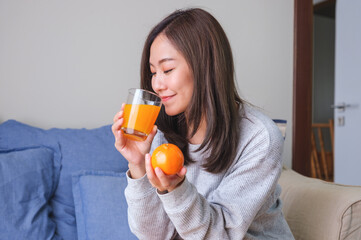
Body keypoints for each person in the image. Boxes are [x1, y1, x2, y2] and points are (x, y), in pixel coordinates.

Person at [112, 8, 294, 240]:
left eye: (167, 70)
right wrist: (137, 164)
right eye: (153, 72)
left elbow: (221, 236)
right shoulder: (161, 132)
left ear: (205, 66)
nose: (156, 84)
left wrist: (177, 189)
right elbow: (155, 235)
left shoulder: (260, 137)